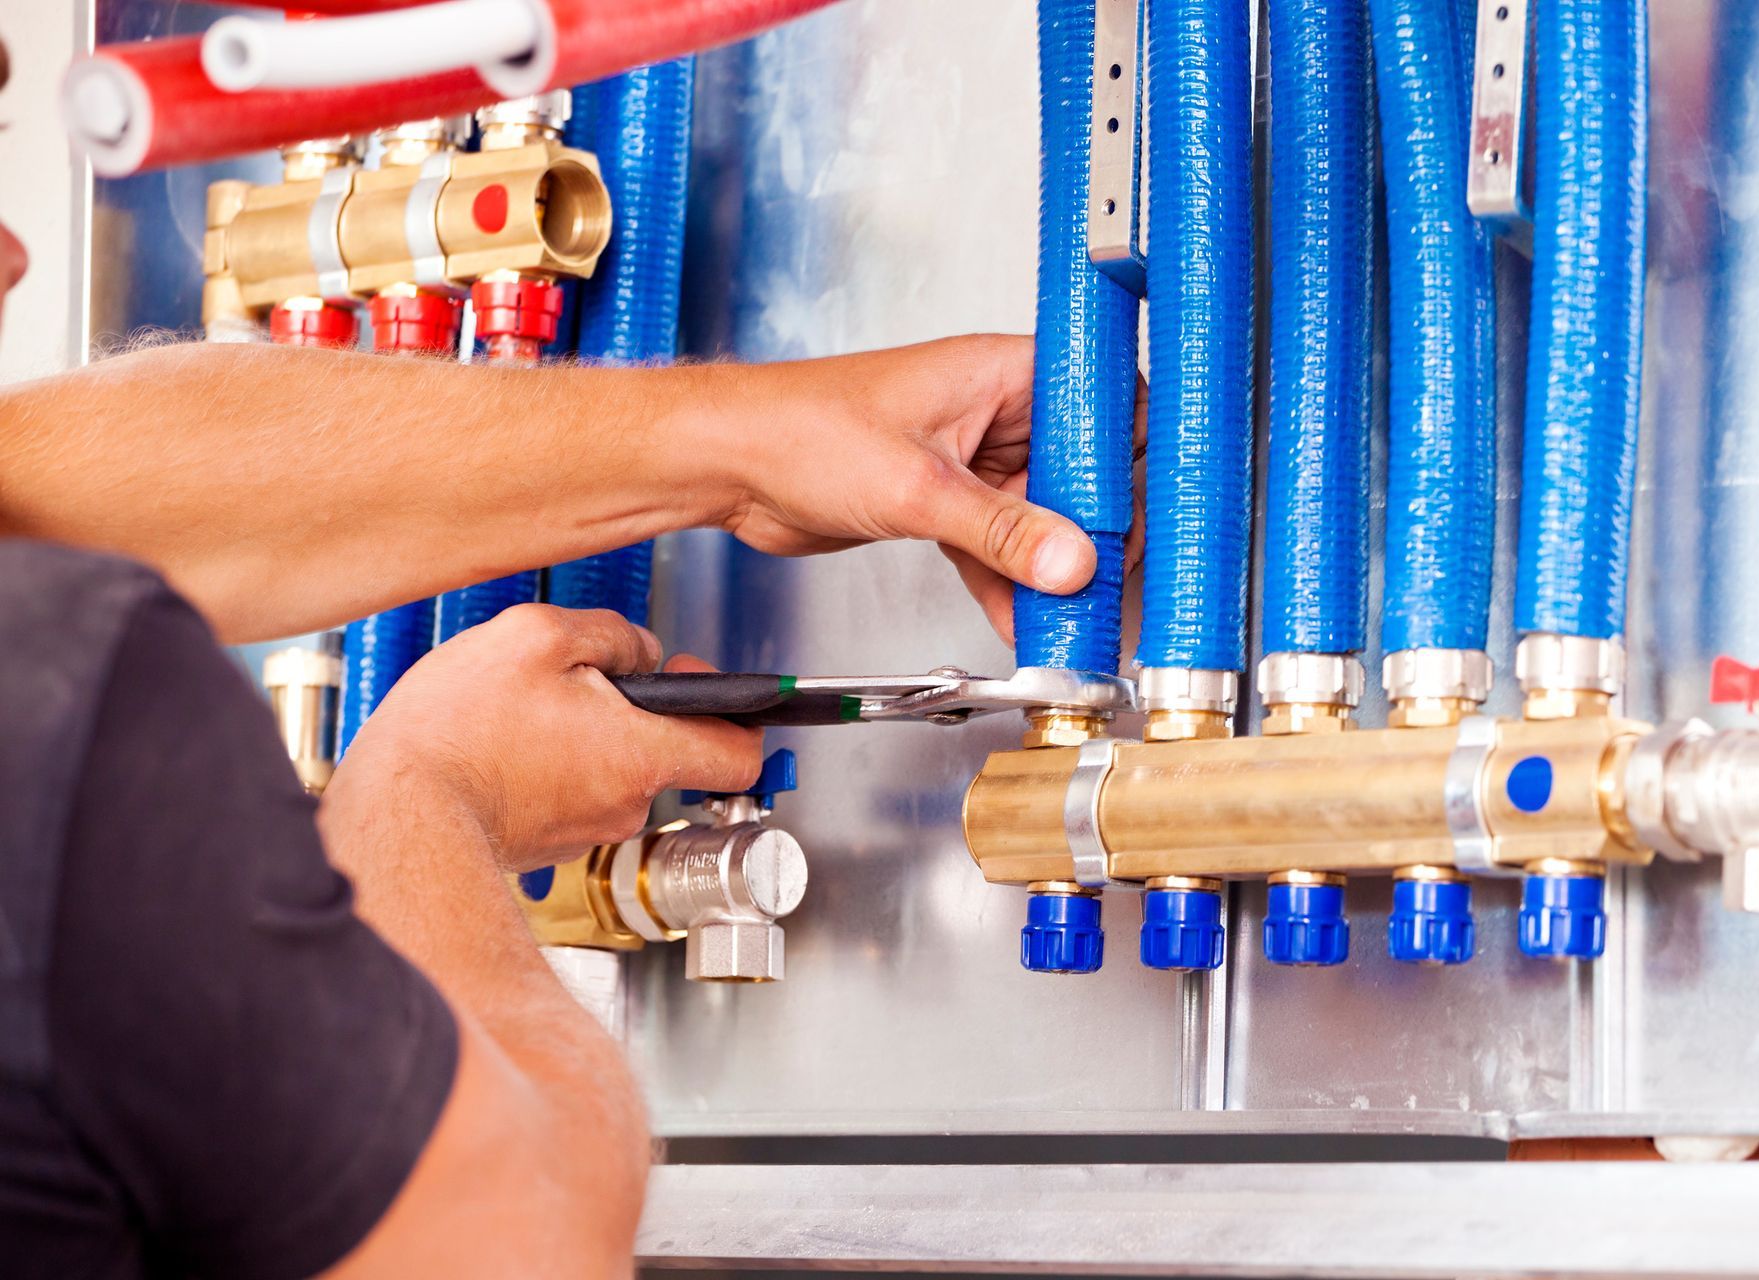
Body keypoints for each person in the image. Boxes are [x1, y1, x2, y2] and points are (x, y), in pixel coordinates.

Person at [0, 93, 1117, 1278]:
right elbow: (515, 1239)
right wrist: (429, 801)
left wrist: (738, 444)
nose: (15, 249)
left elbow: (40, 476)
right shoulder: (62, 700)